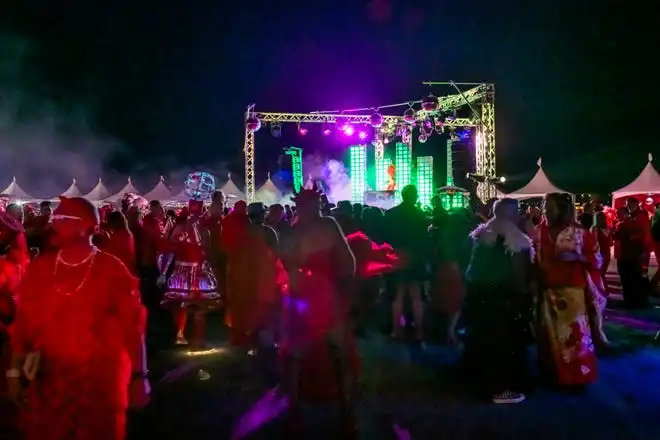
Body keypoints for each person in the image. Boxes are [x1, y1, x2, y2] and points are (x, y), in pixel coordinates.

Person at [7, 196, 149, 440]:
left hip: (100, 384)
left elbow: (133, 328)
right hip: (52, 380)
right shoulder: (41, 268)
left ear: (87, 227)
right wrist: (14, 371)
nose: (54, 224)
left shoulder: (111, 269)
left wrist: (140, 376)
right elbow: (24, 323)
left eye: (62, 218)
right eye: (55, 218)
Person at [279, 183, 358, 437]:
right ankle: (346, 415)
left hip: (303, 300)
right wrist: (344, 291)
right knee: (338, 356)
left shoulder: (292, 231)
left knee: (297, 359)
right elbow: (348, 264)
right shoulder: (328, 226)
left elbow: (286, 265)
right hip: (324, 298)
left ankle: (294, 415)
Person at [463, 198, 534, 403]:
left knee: (481, 340)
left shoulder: (481, 233)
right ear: (512, 214)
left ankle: (479, 382)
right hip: (502, 300)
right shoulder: (514, 238)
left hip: (478, 296)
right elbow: (518, 275)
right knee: (502, 345)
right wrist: (524, 299)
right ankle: (500, 389)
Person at [536, 193, 599, 388]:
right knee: (548, 336)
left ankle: (576, 378)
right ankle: (552, 375)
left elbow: (597, 260)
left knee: (574, 337)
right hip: (546, 290)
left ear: (561, 210)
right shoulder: (539, 231)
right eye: (545, 206)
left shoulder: (579, 232)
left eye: (550, 207)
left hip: (571, 292)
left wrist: (579, 258)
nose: (545, 210)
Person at [384, 184, 429, 341]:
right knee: (416, 296)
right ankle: (419, 332)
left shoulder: (392, 214)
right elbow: (425, 240)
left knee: (398, 294)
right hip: (416, 258)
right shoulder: (421, 214)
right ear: (415, 196)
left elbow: (386, 237)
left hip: (398, 257)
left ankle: (396, 330)